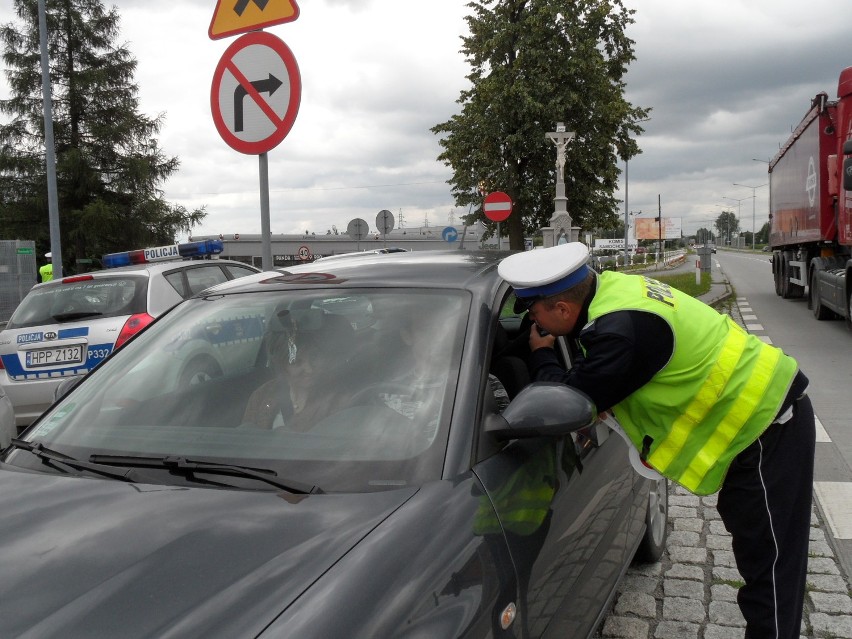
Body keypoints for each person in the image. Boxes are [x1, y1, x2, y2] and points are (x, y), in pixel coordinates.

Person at [498, 242, 815, 639]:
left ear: (562, 310)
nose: (534, 324)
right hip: (752, 428)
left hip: (765, 425)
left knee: (771, 570)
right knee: (760, 558)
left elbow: (563, 401)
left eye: (535, 314)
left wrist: (542, 354)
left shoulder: (618, 335)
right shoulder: (613, 290)